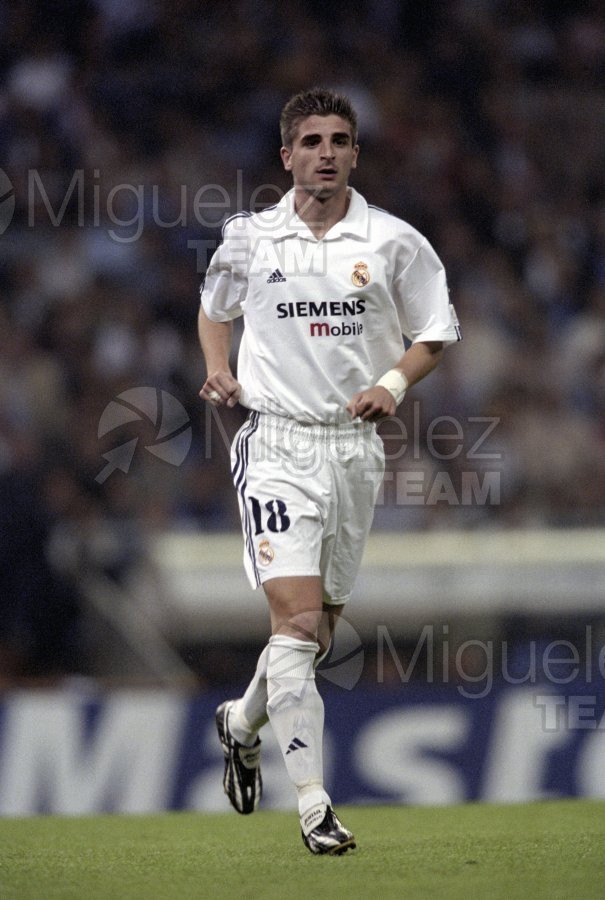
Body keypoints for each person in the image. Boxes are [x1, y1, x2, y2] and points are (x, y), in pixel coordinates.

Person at [198, 87, 461, 855]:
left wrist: (391, 383)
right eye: (309, 140)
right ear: (286, 155)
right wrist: (217, 368)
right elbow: (215, 307)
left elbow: (436, 330)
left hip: (352, 451)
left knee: (314, 636)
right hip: (275, 444)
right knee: (297, 623)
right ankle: (314, 806)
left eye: (338, 140)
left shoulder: (394, 242)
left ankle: (240, 724)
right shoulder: (250, 238)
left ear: (354, 153)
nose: (325, 153)